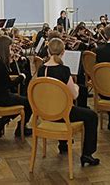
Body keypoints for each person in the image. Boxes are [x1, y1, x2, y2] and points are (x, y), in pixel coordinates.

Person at [37, 38, 99, 166]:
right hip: (62, 114)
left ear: (48, 51)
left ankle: (63, 143)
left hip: (46, 112)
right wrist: (75, 86)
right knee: (91, 116)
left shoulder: (41, 69)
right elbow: (75, 95)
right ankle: (87, 154)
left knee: (61, 103)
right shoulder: (64, 70)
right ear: (63, 52)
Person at [0, 36, 32, 137]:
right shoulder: (0, 65)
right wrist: (21, 77)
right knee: (29, 103)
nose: (11, 50)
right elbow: (9, 84)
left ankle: (3, 121)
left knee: (22, 101)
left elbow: (5, 80)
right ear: (5, 48)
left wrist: (13, 62)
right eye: (9, 47)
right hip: (3, 98)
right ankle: (20, 128)